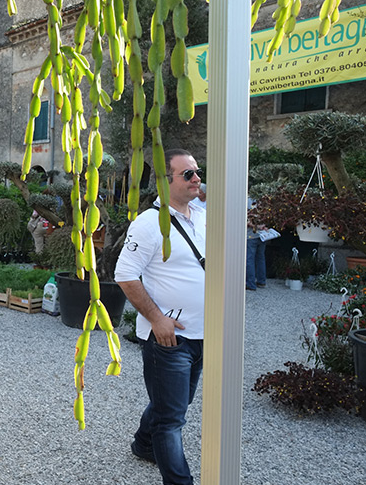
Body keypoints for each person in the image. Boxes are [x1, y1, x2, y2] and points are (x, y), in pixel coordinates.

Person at [114, 149, 205, 485]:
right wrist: (156, 318)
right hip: (171, 338)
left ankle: (143, 444)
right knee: (171, 419)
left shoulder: (202, 214)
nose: (197, 178)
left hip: (202, 333)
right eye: (188, 174)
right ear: (166, 184)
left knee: (173, 403)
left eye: (198, 171)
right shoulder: (149, 223)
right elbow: (124, 275)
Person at [246, 197, 268, 291]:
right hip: (263, 235)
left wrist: (256, 226)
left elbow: (247, 221)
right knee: (261, 258)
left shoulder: (247, 202)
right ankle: (261, 281)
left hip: (251, 235)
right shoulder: (263, 201)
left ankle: (250, 284)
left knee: (250, 259)